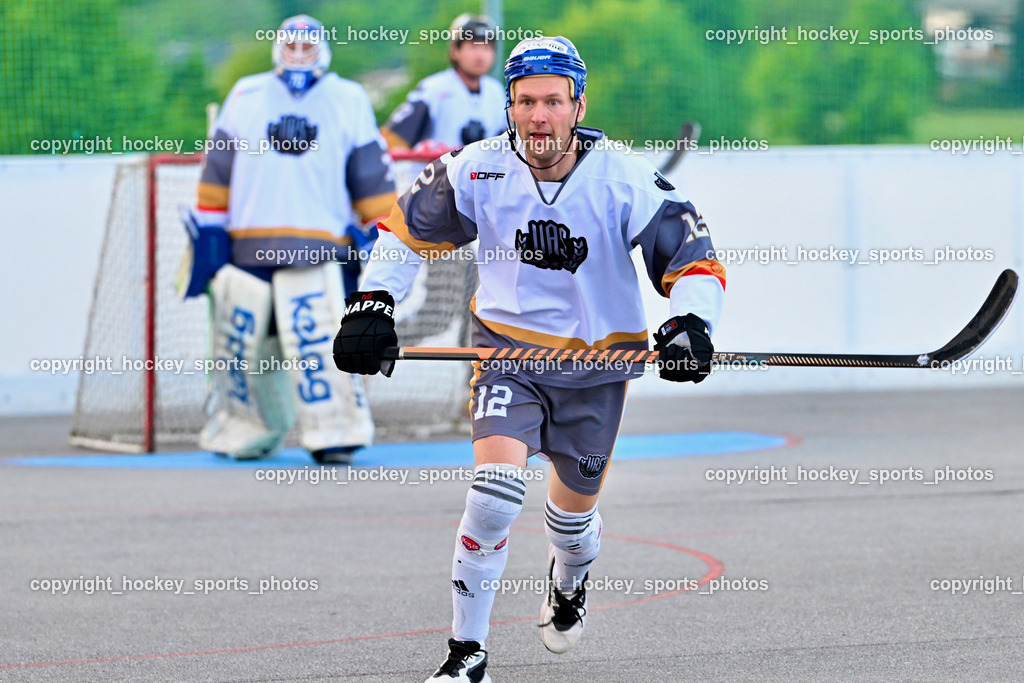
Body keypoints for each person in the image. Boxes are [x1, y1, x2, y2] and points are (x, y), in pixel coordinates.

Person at [333, 36, 726, 681]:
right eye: (524, 102)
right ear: (509, 105)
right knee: (494, 493)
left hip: (599, 368)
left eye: (551, 101)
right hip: (508, 355)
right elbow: (403, 234)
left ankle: (569, 582)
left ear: (577, 103)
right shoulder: (476, 168)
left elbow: (694, 260)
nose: (537, 116)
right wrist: (372, 303)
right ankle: (467, 653)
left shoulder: (624, 176)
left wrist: (692, 322)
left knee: (572, 524)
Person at [180, 14, 396, 464]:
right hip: (248, 251)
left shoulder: (348, 98)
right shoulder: (246, 93)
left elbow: (371, 172)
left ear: (323, 51)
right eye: (292, 47)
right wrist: (210, 233)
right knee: (246, 349)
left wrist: (378, 231)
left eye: (308, 48)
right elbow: (218, 169)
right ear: (278, 49)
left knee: (322, 345)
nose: (299, 56)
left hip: (321, 252)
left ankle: (335, 434)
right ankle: (247, 429)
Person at [380, 14, 507, 151]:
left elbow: (505, 145)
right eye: (473, 47)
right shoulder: (432, 89)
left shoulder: (496, 91)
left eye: (487, 48)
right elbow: (391, 138)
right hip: (437, 171)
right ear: (455, 50)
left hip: (480, 171)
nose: (480, 56)